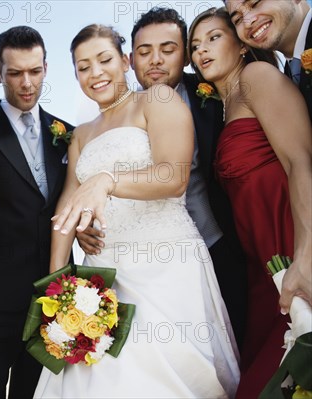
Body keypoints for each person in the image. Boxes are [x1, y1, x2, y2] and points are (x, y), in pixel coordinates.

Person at [35, 24, 240, 398]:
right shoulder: (80, 134)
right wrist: (56, 287)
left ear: (125, 61)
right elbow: (67, 209)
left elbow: (173, 176)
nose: (95, 72)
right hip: (105, 276)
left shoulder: (156, 100)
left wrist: (106, 180)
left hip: (166, 265)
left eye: (104, 59)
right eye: (83, 67)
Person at [76, 7, 248, 347]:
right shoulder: (109, 118)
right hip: (135, 260)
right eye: (144, 51)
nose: (155, 60)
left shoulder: (214, 95)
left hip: (223, 241)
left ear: (185, 54)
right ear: (130, 59)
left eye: (168, 49)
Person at [189, 7, 312, 397]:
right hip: (261, 274)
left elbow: (300, 163)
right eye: (194, 45)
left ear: (241, 46)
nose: (202, 51)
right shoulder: (217, 108)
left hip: (293, 253)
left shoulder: (258, 77)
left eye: (214, 38)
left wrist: (306, 257)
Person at [0, 26, 73, 399]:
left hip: (50, 302)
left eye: (34, 71)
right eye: (15, 73)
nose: (26, 83)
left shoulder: (67, 134)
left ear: (46, 68)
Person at [224, 0, 312, 313]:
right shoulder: (291, 71)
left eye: (255, 2)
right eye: (236, 16)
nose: (248, 19)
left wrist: (305, 255)